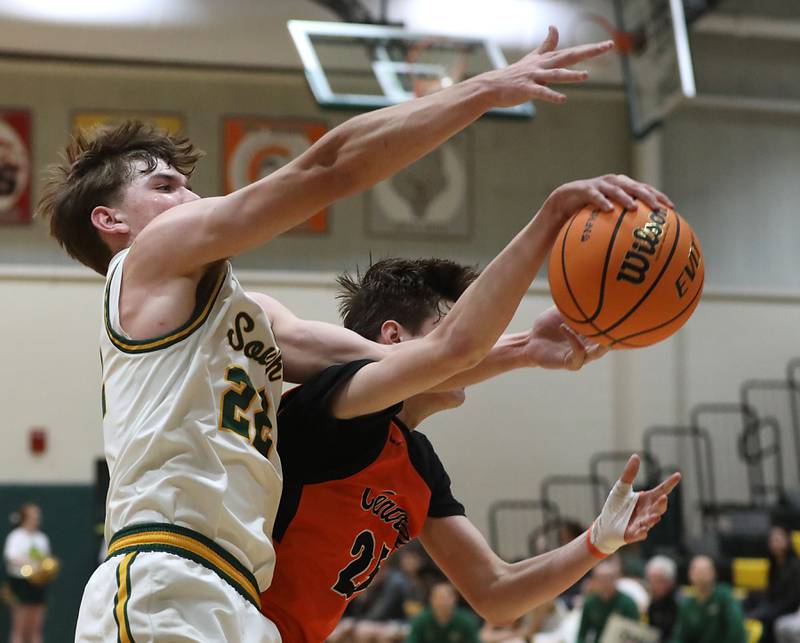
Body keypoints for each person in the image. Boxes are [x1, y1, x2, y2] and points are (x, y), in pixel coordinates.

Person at [37, 26, 617, 642]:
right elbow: (329, 167)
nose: (192, 194)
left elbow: (422, 360)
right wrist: (480, 89)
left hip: (235, 594)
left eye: (187, 183)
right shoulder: (148, 257)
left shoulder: (248, 315)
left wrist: (527, 349)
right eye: (165, 186)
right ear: (112, 220)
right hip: (163, 577)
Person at [260, 175, 680, 643]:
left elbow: (496, 595)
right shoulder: (337, 401)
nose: (479, 346)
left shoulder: (418, 467)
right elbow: (457, 350)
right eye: (446, 325)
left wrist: (599, 540)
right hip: (228, 621)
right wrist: (552, 217)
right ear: (394, 338)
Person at [670, 555, 746, 643]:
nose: (701, 574)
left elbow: (736, 631)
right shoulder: (687, 605)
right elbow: (680, 636)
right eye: (697, 571)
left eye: (705, 570)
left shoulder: (724, 596)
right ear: (690, 574)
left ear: (714, 573)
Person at [3, 504, 50, 643]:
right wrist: (29, 565)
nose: (37, 519)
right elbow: (11, 557)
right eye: (34, 516)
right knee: (19, 627)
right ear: (25, 518)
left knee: (36, 627)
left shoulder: (42, 538)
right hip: (20, 583)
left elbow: (45, 559)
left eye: (38, 516)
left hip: (38, 584)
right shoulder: (16, 537)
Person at [747, 525, 800, 643]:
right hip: (776, 604)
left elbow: (792, 600)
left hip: (790, 608)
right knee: (749, 598)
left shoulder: (795, 566)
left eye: (778, 539)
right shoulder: (773, 564)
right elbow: (771, 591)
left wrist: (767, 609)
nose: (774, 543)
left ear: (787, 541)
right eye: (772, 540)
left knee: (764, 616)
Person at [576, 557, 640, 643]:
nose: (605, 583)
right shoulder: (590, 603)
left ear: (616, 579)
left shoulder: (628, 603)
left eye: (609, 579)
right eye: (601, 580)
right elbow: (581, 635)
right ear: (595, 581)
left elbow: (636, 634)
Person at [406, 582, 480, 643]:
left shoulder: (466, 620)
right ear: (431, 600)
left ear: (454, 599)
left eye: (446, 598)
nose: (442, 603)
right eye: (439, 598)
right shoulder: (421, 620)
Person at [645, 555, 680, 641]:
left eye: (657, 581)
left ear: (670, 582)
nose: (652, 586)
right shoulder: (652, 603)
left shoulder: (680, 603)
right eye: (650, 581)